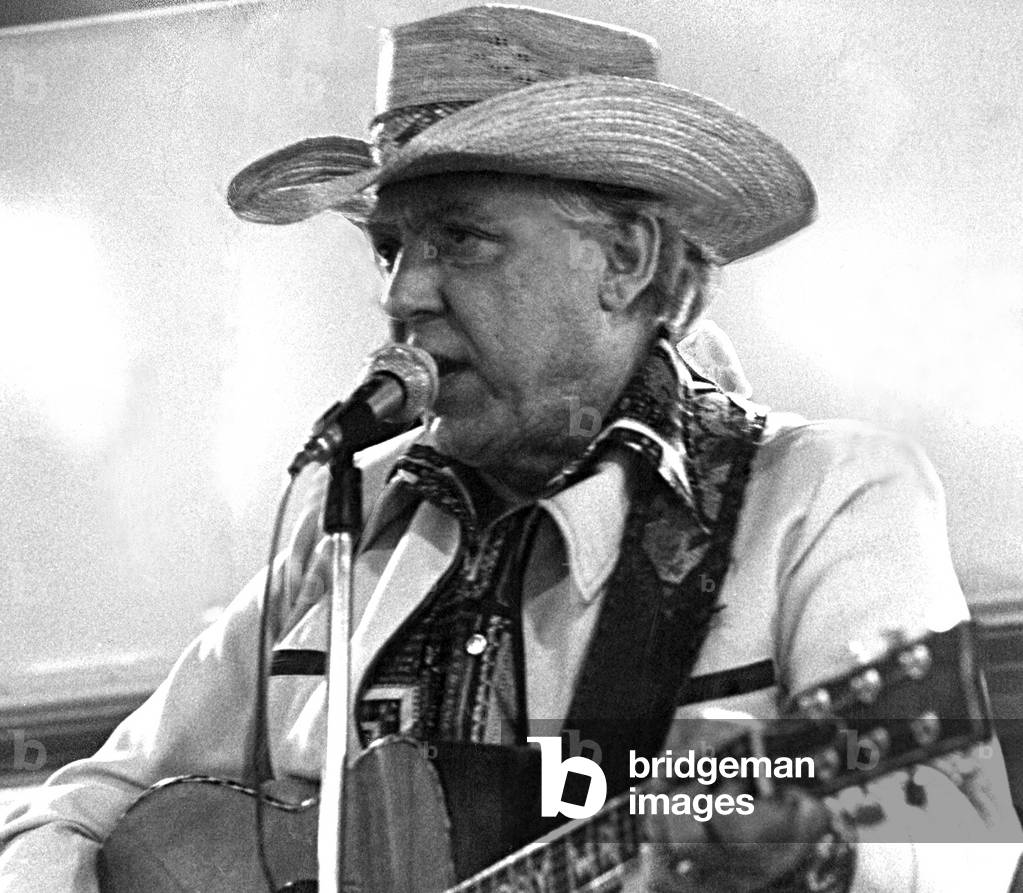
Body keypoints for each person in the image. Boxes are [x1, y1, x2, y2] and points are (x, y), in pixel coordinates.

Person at [1, 5, 1020, 892]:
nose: (402, 292)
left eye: (462, 238)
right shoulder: (345, 522)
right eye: (388, 246)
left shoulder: (824, 498)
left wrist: (763, 832)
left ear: (624, 259)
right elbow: (60, 818)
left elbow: (945, 841)